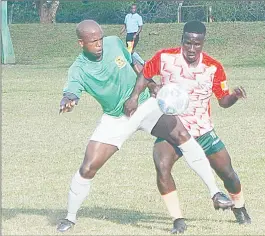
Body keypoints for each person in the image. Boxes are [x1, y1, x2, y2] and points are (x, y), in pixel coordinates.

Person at [57, 19, 234, 233]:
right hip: (116, 118)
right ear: (81, 43)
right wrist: (68, 101)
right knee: (88, 167)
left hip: (144, 106)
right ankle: (70, 217)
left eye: (100, 39)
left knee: (183, 135)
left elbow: (135, 62)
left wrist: (150, 84)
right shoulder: (78, 69)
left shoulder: (114, 42)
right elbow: (71, 91)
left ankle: (215, 193)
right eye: (93, 41)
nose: (99, 44)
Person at [129, 20, 251, 231]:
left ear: (203, 43)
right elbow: (145, 74)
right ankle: (178, 219)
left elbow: (222, 101)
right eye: (188, 43)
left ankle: (239, 208)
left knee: (227, 173)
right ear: (182, 41)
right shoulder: (165, 57)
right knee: (162, 166)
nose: (192, 49)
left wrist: (234, 97)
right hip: (172, 128)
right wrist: (135, 96)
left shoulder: (213, 67)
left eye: (197, 44)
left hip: (202, 130)